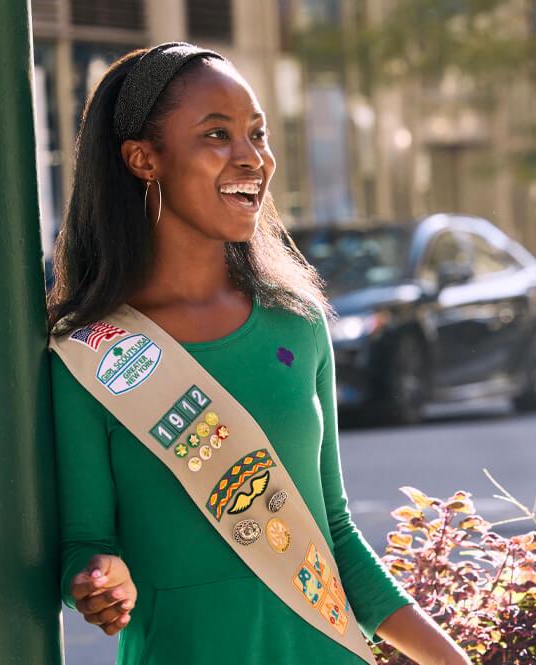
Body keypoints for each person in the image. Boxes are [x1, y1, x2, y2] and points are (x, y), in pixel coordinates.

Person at [46, 42, 470, 665]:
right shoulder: (86, 355)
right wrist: (95, 580)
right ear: (143, 158)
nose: (253, 158)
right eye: (217, 135)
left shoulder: (296, 325)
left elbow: (335, 534)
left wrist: (452, 660)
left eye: (257, 133)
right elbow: (84, 545)